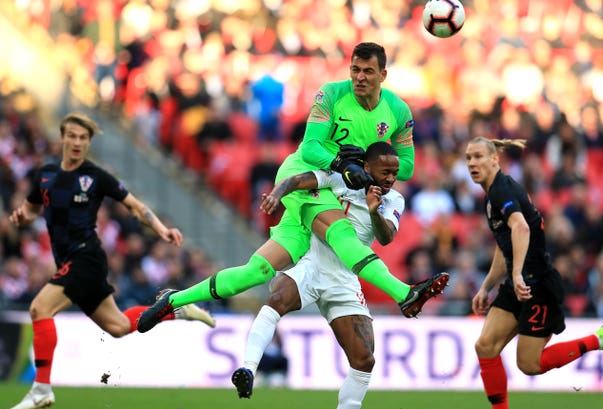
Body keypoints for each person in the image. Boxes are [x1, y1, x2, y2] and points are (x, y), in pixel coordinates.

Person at [137, 42, 449, 333]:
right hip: (305, 174)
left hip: (336, 186)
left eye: (368, 71)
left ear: (383, 74)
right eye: (355, 69)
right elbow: (311, 147)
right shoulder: (330, 95)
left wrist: (371, 157)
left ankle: (173, 300)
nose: (360, 77)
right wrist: (342, 160)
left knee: (256, 272)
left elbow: (406, 166)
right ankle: (405, 292)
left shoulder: (398, 111)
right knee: (341, 234)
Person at [6, 113, 216, 409]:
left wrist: (161, 229)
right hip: (70, 261)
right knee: (118, 326)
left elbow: (135, 206)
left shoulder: (95, 176)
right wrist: (22, 216)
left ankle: (41, 388)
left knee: (40, 309)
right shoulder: (46, 175)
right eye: (73, 136)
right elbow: (31, 208)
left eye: (84, 138)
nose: (78, 142)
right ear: (62, 137)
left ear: (88, 142)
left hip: (86, 258)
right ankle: (175, 308)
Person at [233, 142, 435, 409]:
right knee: (276, 298)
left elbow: (387, 237)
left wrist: (374, 211)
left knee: (364, 359)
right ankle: (248, 369)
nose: (392, 178)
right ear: (367, 167)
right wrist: (277, 194)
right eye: (386, 171)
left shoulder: (395, 201)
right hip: (314, 263)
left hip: (345, 280)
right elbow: (299, 180)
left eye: (395, 173)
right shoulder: (342, 178)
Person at [465, 137, 603, 409]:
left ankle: (601, 339)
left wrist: (517, 274)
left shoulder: (503, 190)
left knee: (529, 365)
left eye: (479, 156)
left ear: (495, 159)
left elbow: (521, 227)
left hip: (537, 285)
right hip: (518, 281)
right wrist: (487, 286)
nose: (472, 163)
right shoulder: (491, 195)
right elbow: (505, 244)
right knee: (486, 346)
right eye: (468, 158)